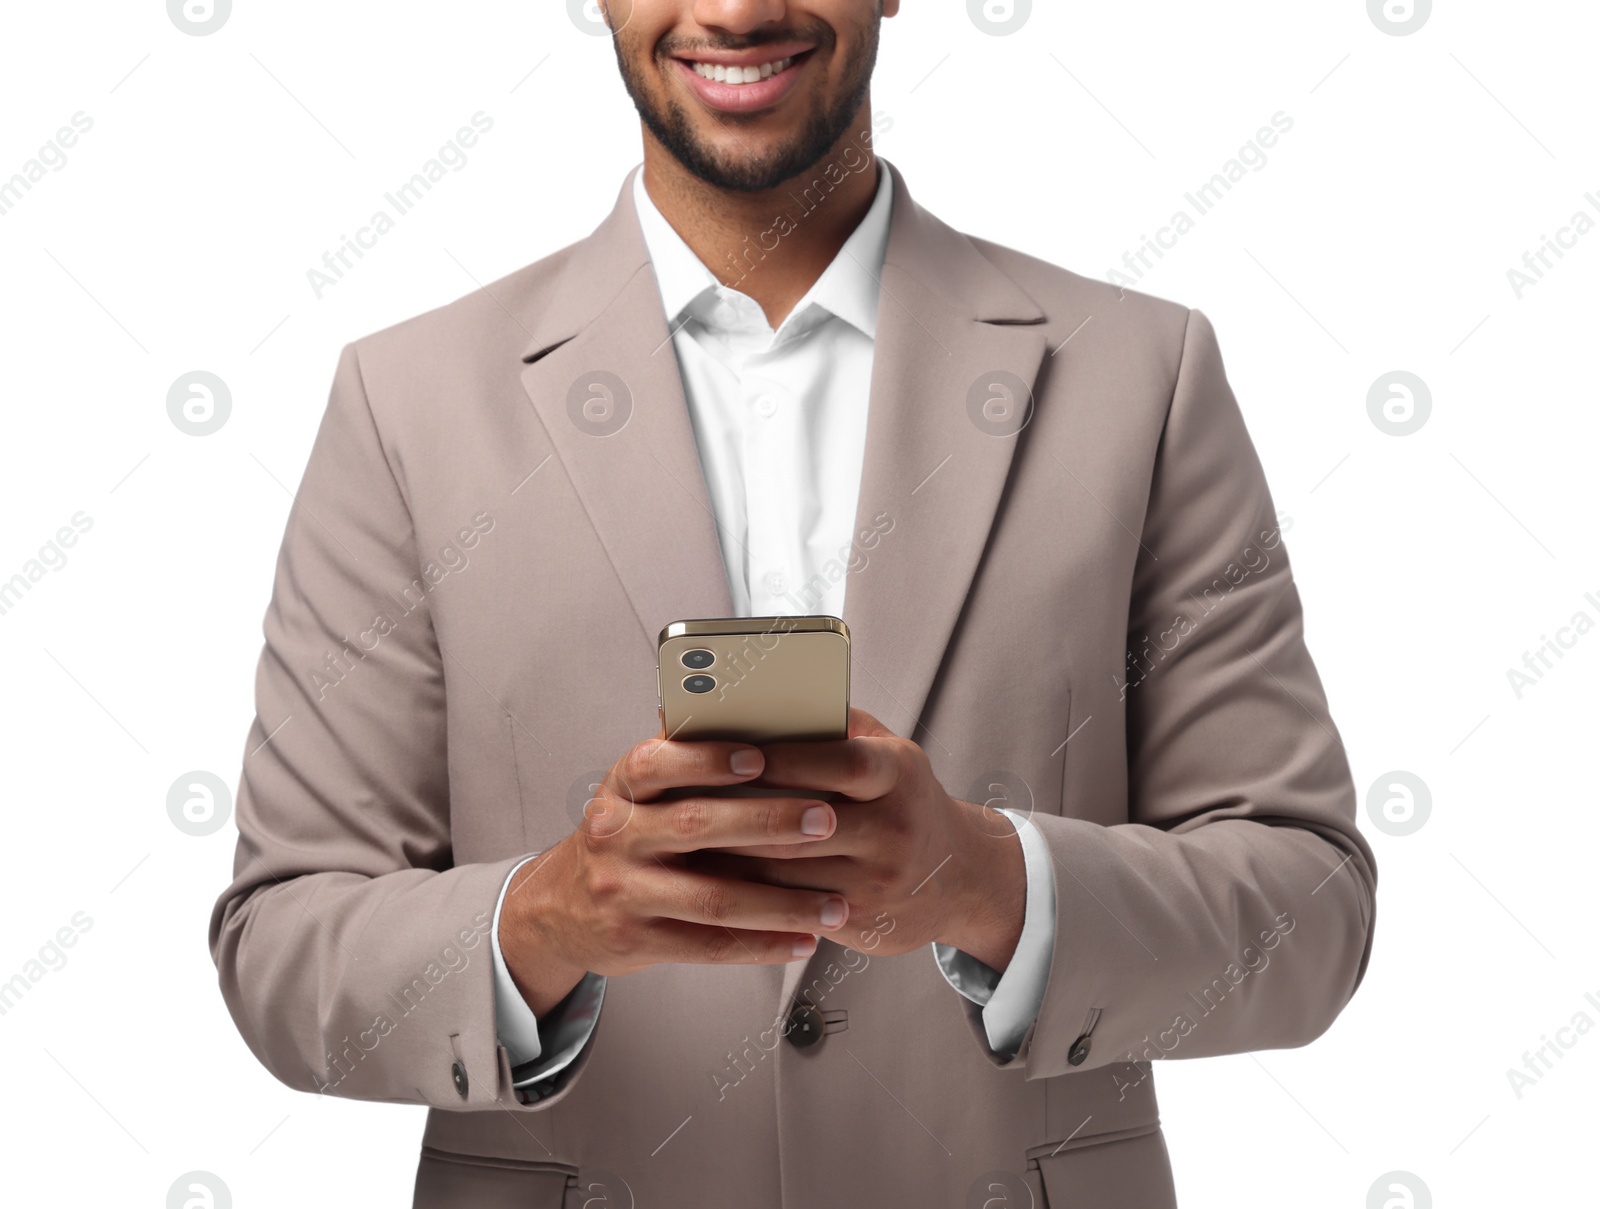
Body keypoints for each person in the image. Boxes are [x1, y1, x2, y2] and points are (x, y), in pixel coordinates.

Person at [210, 3, 1377, 1206]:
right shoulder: (407, 403)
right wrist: (547, 921)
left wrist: (992, 883)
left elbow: (1311, 914)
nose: (736, 10)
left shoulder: (1138, 375)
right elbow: (285, 954)